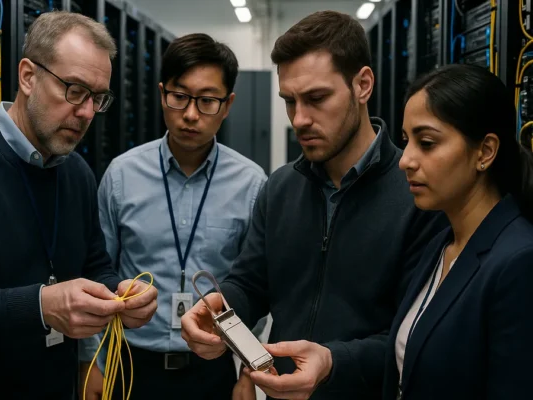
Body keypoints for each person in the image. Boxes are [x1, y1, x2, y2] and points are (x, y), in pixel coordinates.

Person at [181, 10, 447, 400]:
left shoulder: (417, 194)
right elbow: (252, 282)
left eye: (316, 98)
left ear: (363, 84)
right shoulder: (281, 187)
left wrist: (332, 363)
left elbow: (417, 335)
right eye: (289, 101)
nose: (299, 119)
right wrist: (224, 308)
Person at [0, 11, 157, 399]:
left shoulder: (78, 173)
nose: (87, 112)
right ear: (27, 76)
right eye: (74, 90)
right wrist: (39, 306)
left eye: (97, 98)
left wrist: (118, 293)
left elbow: (93, 264)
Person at [80, 33, 268, 400]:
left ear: (227, 104)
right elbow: (95, 273)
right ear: (162, 93)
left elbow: (256, 287)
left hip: (212, 369)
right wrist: (92, 363)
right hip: (129, 366)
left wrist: (251, 369)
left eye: (208, 100)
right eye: (179, 96)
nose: (191, 114)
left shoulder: (251, 184)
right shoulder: (121, 176)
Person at [381, 64, 533, 400]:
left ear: (485, 151)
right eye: (407, 141)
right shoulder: (443, 242)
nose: (405, 160)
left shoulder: (518, 262)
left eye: (427, 142)